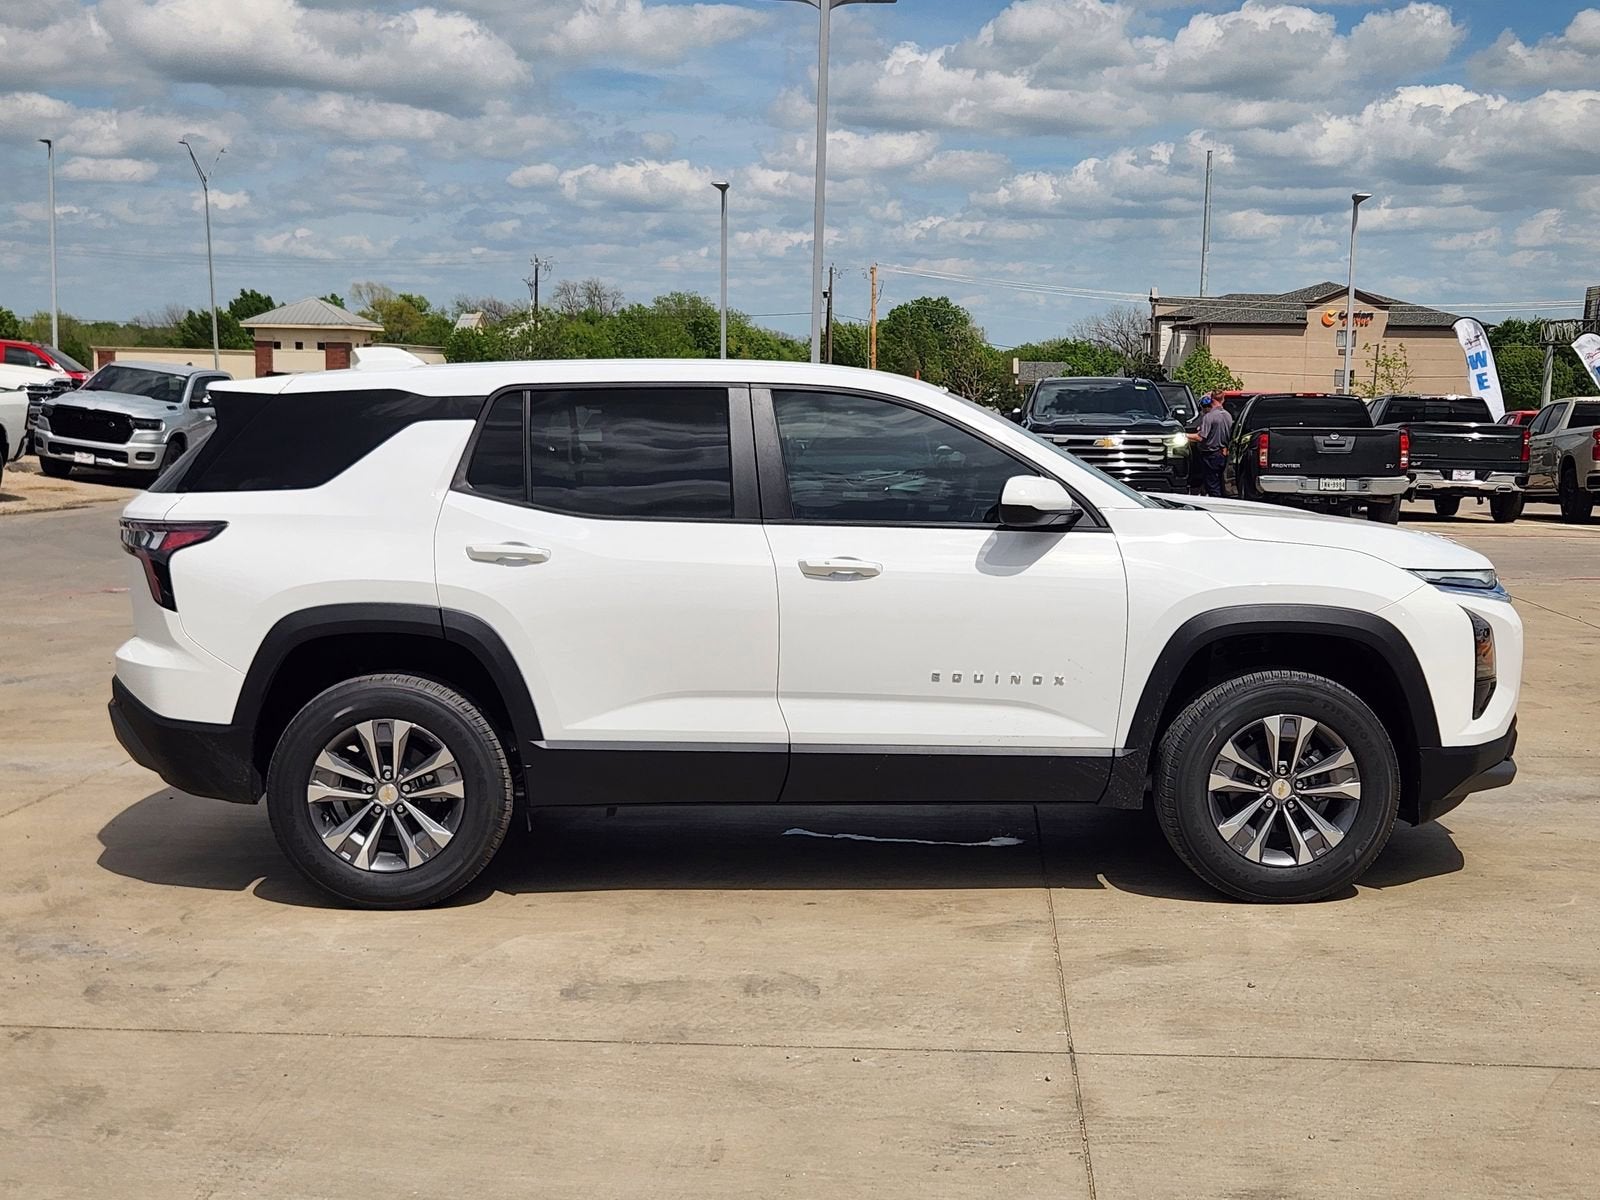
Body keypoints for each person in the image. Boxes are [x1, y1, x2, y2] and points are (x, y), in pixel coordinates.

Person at [1189, 393, 1233, 497]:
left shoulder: (1209, 417)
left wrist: (1184, 435)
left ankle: (1215, 502)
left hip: (1210, 455)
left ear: (1211, 400)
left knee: (1212, 485)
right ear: (1223, 400)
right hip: (1222, 454)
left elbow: (1201, 437)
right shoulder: (1228, 415)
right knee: (1220, 482)